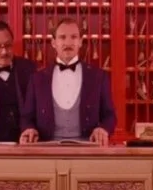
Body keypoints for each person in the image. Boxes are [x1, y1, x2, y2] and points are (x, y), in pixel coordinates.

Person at [19, 17, 116, 146]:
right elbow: (26, 117)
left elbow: (110, 115)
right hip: (47, 148)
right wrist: (29, 128)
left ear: (80, 41)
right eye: (62, 37)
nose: (68, 42)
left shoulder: (98, 76)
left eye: (74, 37)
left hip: (88, 148)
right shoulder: (37, 78)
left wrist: (103, 129)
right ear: (53, 42)